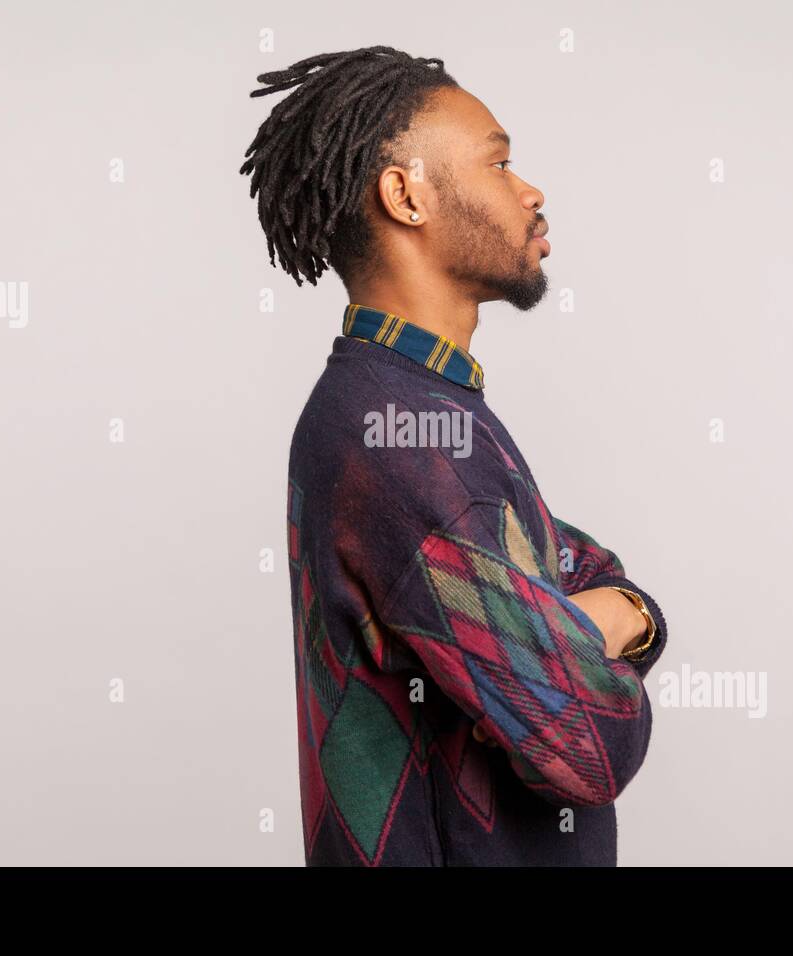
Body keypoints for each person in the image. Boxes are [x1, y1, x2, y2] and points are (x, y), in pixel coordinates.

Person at [240, 45, 668, 866]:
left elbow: (577, 563)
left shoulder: (412, 412)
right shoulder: (397, 437)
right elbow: (588, 743)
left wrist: (595, 615)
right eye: (500, 162)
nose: (531, 190)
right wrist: (628, 621)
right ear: (406, 195)